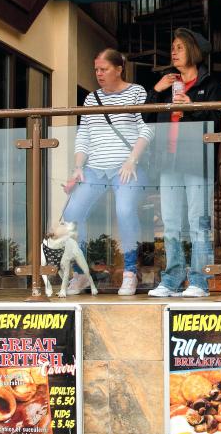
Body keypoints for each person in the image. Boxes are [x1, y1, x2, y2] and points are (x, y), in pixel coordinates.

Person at [65, 49, 155, 296]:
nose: (99, 74)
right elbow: (84, 135)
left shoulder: (137, 92)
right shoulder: (91, 99)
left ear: (119, 69)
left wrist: (131, 161)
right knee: (72, 212)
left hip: (126, 167)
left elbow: (146, 129)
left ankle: (129, 272)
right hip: (95, 168)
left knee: (124, 210)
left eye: (104, 69)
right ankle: (81, 272)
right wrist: (78, 168)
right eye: (96, 69)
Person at [146, 28, 221, 298]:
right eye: (173, 47)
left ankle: (199, 282)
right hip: (169, 162)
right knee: (170, 223)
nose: (173, 52)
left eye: (179, 47)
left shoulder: (211, 85)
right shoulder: (168, 84)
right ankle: (171, 279)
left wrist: (193, 106)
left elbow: (219, 121)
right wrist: (156, 92)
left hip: (197, 162)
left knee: (198, 222)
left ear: (193, 51)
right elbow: (145, 119)